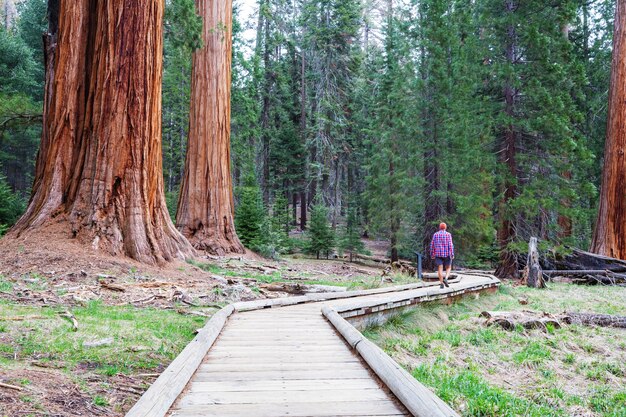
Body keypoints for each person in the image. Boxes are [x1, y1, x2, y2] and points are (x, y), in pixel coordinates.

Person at [430, 222, 454, 289]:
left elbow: (432, 245)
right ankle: (446, 279)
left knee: (440, 268)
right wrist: (452, 254)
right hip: (447, 254)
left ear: (439, 227)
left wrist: (432, 254)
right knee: (448, 268)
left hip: (438, 254)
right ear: (445, 227)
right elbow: (451, 245)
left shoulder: (435, 234)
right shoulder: (448, 234)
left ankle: (441, 283)